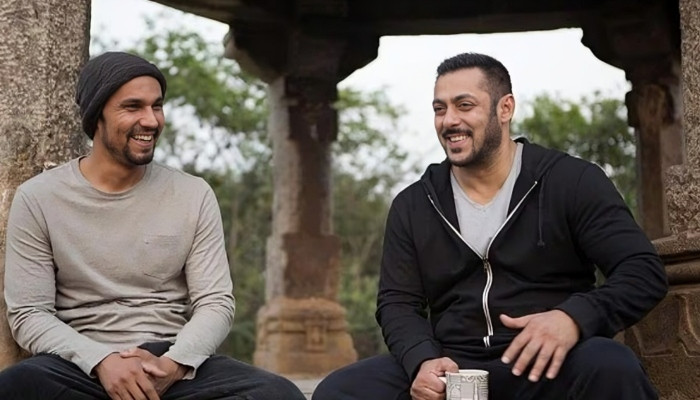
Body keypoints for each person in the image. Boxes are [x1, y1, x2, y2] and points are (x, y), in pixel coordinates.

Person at [312, 52, 668, 400]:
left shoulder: (572, 181)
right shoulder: (414, 203)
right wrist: (421, 358)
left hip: (548, 361)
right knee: (340, 390)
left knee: (612, 366)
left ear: (505, 108)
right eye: (440, 109)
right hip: (453, 365)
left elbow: (642, 271)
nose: (449, 120)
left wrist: (572, 318)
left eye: (464, 105)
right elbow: (397, 302)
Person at [0, 52, 306, 400]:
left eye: (156, 106)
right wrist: (101, 361)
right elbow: (29, 313)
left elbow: (216, 302)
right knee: (14, 388)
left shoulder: (192, 194)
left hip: (172, 362)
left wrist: (174, 364)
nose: (150, 120)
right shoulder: (39, 197)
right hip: (80, 365)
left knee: (278, 394)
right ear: (97, 116)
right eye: (132, 107)